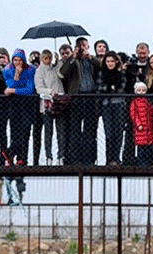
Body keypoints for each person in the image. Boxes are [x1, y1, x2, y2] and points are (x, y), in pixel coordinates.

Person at [59, 37, 100, 165]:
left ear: (88, 47)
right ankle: (74, 158)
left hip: (91, 98)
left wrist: (91, 58)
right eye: (80, 46)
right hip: (77, 97)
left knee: (90, 130)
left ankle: (90, 158)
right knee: (75, 129)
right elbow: (62, 73)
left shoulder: (92, 59)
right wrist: (73, 57)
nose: (83, 48)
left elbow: (102, 67)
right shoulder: (73, 60)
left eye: (84, 45)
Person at [2, 49, 36, 166]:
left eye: (20, 60)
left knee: (26, 129)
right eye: (15, 60)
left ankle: (18, 156)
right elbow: (9, 86)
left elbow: (29, 89)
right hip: (14, 104)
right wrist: (16, 75)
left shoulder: (31, 69)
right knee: (14, 130)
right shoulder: (7, 70)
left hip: (27, 104)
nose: (18, 63)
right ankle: (12, 155)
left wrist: (14, 90)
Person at [34, 49, 64, 165]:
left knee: (60, 131)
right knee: (48, 132)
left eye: (49, 58)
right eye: (45, 58)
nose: (48, 60)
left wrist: (58, 61)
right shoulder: (39, 71)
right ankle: (48, 156)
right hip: (47, 105)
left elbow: (61, 74)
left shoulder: (54, 67)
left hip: (59, 103)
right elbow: (39, 88)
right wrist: (50, 92)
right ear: (42, 59)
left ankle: (61, 156)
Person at [96, 51, 126, 165]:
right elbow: (99, 88)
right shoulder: (101, 73)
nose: (110, 63)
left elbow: (121, 88)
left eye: (112, 61)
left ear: (116, 62)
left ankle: (116, 158)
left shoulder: (121, 73)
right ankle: (109, 159)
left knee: (118, 132)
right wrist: (111, 87)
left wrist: (109, 88)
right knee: (108, 132)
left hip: (118, 104)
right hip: (106, 104)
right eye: (108, 61)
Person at [129, 82, 153, 166]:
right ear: (136, 92)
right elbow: (133, 114)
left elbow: (152, 112)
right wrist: (138, 124)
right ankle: (141, 164)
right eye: (139, 90)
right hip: (140, 129)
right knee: (141, 149)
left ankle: (147, 163)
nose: (141, 92)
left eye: (143, 90)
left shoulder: (147, 102)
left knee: (148, 149)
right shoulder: (134, 102)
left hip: (148, 128)